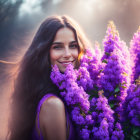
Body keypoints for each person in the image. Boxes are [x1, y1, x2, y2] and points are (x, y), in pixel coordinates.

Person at [7, 15, 92, 140]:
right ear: (43, 51)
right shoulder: (53, 105)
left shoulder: (71, 97)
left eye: (73, 46)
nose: (68, 54)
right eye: (58, 47)